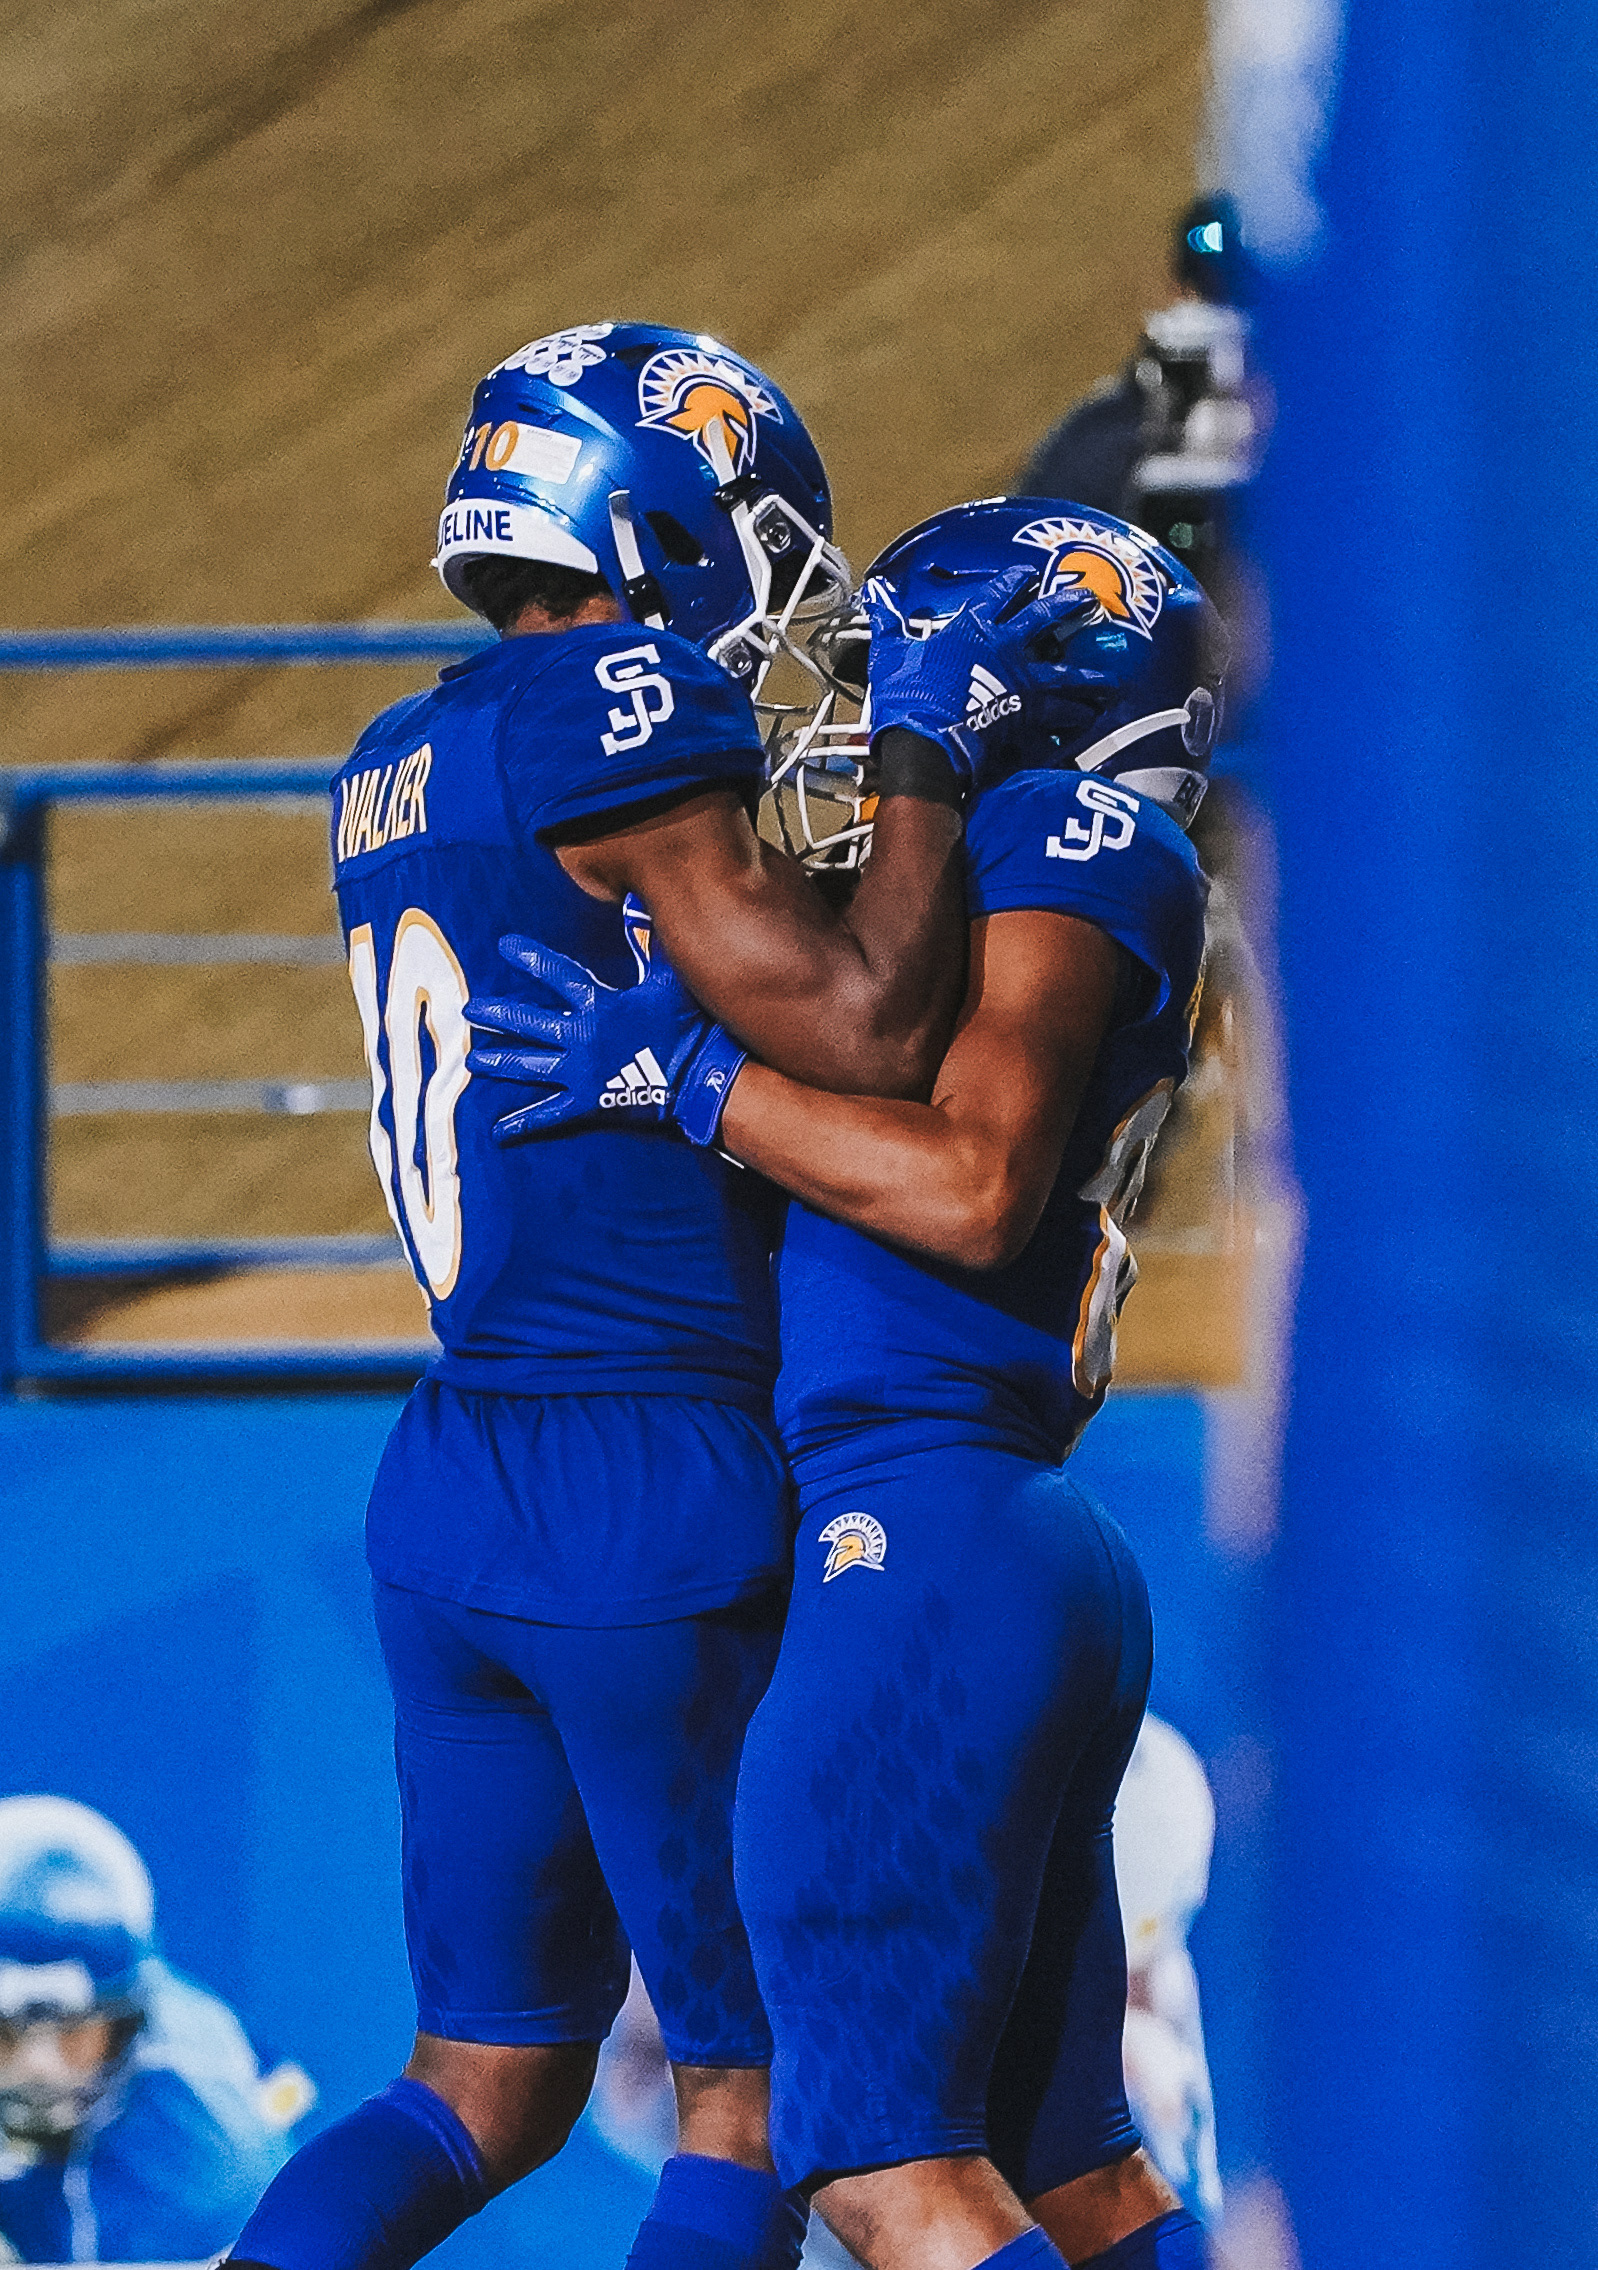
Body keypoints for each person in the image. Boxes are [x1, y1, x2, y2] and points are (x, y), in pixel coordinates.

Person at [227, 325, 1085, 2270]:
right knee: (764, 2099)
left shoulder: (394, 753)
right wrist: (923, 763)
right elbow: (866, 1036)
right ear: (666, 528)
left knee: (480, 2081)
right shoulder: (621, 702)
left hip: (457, 1472)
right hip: (654, 1479)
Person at [466, 495, 1226, 2270]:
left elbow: (969, 1191)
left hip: (924, 1528)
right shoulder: (1044, 860)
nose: (875, 709)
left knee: (876, 2157)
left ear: (1042, 679)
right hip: (980, 1527)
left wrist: (698, 1088)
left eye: (915, 666)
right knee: (1073, 2169)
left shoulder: (1070, 830)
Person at [0, 1797, 310, 2265]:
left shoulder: (209, 2151)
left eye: (73, 2033)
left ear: (128, 2022)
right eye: (5, 2032)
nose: (39, 2067)